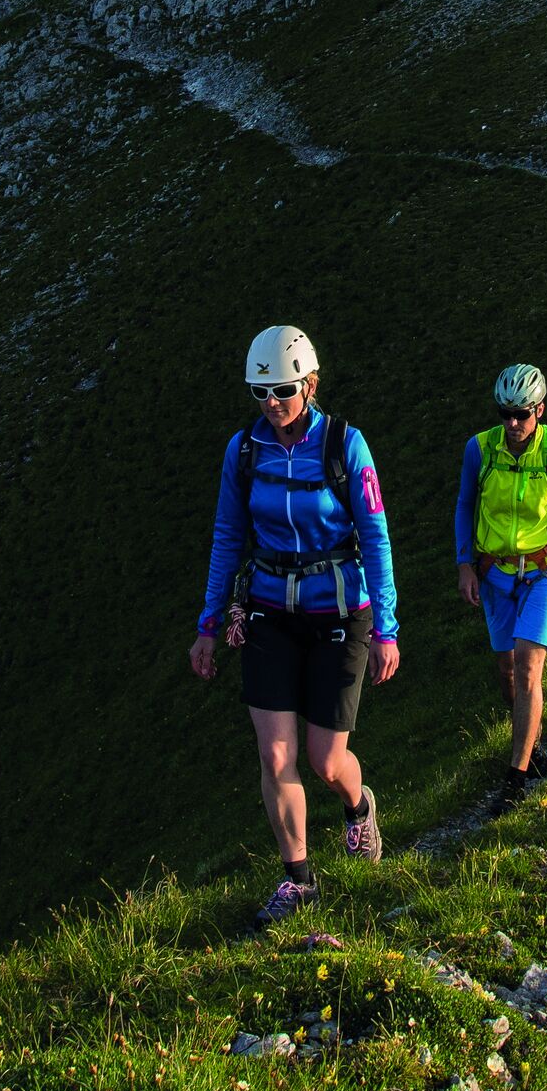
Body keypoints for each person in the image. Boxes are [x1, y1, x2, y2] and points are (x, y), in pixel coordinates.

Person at [190, 325, 398, 926]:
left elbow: (376, 538)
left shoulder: (345, 446)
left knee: (326, 759)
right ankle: (298, 880)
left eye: (281, 390)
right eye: (259, 393)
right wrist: (209, 622)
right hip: (268, 610)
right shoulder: (244, 450)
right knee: (274, 752)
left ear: (309, 383)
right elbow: (228, 536)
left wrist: (387, 628)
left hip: (339, 610)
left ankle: (358, 808)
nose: (271, 405)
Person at [455, 362, 547, 814]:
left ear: (540, 409)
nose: (513, 424)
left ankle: (514, 781)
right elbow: (464, 505)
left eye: (522, 414)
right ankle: (533, 750)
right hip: (494, 575)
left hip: (546, 573)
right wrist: (464, 564)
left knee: (527, 666)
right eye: (505, 414)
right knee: (507, 674)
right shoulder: (480, 449)